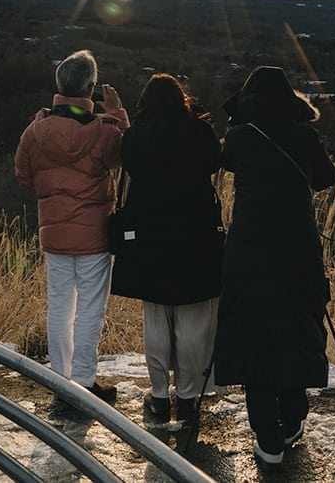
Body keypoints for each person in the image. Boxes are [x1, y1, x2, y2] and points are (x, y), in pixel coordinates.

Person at [213, 66, 335, 470]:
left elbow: (226, 162)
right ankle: (293, 416)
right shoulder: (306, 136)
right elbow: (326, 178)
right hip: (297, 247)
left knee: (253, 331)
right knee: (296, 324)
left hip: (248, 247)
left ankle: (266, 435)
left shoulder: (238, 137)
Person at [14, 49, 128, 404]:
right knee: (91, 308)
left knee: (60, 306)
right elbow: (129, 156)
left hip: (54, 231)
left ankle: (61, 378)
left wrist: (52, 198)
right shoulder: (104, 130)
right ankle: (83, 381)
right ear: (91, 87)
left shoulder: (36, 130)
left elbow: (24, 176)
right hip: (94, 232)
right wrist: (118, 114)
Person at [109, 74, 223, 427]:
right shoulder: (200, 132)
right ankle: (188, 399)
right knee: (192, 321)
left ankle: (159, 396)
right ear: (181, 99)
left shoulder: (136, 135)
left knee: (156, 317)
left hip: (149, 235)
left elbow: (127, 165)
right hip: (195, 235)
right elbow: (214, 165)